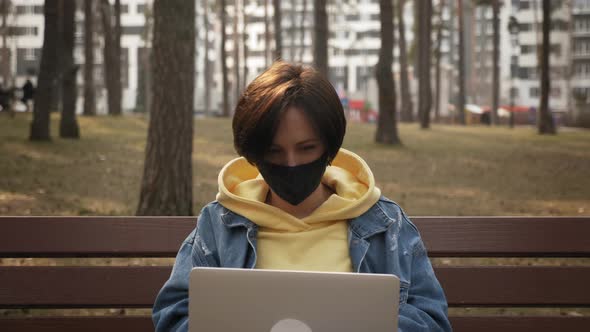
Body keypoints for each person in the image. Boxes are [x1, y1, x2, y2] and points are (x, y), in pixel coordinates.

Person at [152, 61, 452, 332]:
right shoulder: (219, 225)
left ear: (329, 146)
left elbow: (432, 320)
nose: (292, 164)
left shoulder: (385, 224)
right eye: (274, 151)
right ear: (254, 153)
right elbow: (174, 316)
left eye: (307, 148)